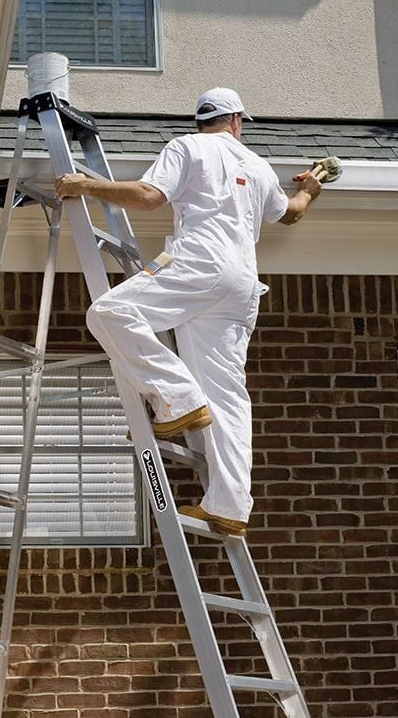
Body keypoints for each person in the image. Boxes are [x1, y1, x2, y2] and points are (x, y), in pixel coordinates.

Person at [55, 87, 327, 537]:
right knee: (227, 396)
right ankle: (229, 506)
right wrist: (312, 189)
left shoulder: (187, 146)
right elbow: (291, 213)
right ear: (237, 120)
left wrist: (85, 185)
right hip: (241, 285)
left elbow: (147, 196)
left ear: (202, 120)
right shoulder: (258, 166)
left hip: (198, 265)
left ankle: (177, 399)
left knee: (108, 313)